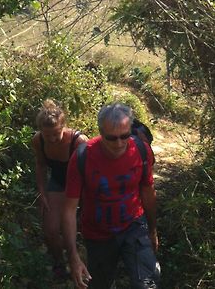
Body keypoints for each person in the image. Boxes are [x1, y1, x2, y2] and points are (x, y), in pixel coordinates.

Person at [62, 103, 160, 289]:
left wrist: (153, 230)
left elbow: (148, 191)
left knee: (148, 284)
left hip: (134, 226)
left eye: (124, 136)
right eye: (112, 138)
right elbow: (68, 210)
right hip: (98, 233)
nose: (119, 143)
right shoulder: (82, 156)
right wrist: (73, 256)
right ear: (100, 133)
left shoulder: (141, 150)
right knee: (100, 284)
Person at [32, 99, 87, 279]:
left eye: (56, 134)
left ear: (64, 126)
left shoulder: (79, 141)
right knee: (51, 230)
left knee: (88, 225)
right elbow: (40, 165)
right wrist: (42, 192)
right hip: (58, 183)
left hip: (82, 185)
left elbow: (91, 171)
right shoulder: (38, 141)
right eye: (48, 136)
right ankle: (59, 261)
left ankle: (87, 260)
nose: (53, 139)